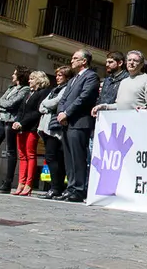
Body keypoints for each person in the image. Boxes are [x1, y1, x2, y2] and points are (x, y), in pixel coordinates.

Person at [56, 49, 100, 202]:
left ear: (84, 61)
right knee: (68, 157)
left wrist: (67, 113)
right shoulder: (73, 79)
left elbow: (84, 97)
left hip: (79, 122)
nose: (71, 61)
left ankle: (79, 189)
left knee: (78, 157)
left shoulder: (91, 76)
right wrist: (61, 112)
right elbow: (63, 98)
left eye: (75, 58)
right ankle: (71, 187)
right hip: (67, 123)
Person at [11, 71, 51, 196]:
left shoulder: (43, 93)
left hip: (31, 127)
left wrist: (22, 122)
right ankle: (20, 183)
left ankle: (29, 184)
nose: (29, 81)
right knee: (22, 155)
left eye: (32, 79)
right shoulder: (29, 93)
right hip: (21, 127)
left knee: (30, 155)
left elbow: (37, 112)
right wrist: (16, 121)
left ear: (39, 80)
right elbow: (21, 110)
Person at [38, 66, 73, 200]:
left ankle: (56, 187)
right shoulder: (54, 89)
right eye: (57, 75)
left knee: (54, 157)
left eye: (60, 75)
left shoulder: (66, 89)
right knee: (51, 157)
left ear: (67, 77)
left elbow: (56, 103)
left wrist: (47, 105)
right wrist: (47, 105)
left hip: (55, 128)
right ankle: (55, 187)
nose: (57, 77)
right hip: (46, 127)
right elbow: (42, 105)